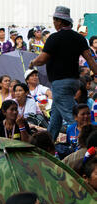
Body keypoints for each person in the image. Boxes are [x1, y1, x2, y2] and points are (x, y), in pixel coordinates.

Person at [29, 6, 97, 142]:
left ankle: (89, 143)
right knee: (55, 118)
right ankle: (47, 145)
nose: (54, 23)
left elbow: (42, 59)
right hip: (74, 82)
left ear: (59, 21)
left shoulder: (54, 38)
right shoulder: (79, 38)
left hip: (61, 82)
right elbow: (90, 59)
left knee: (74, 118)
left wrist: (32, 63)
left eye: (54, 20)